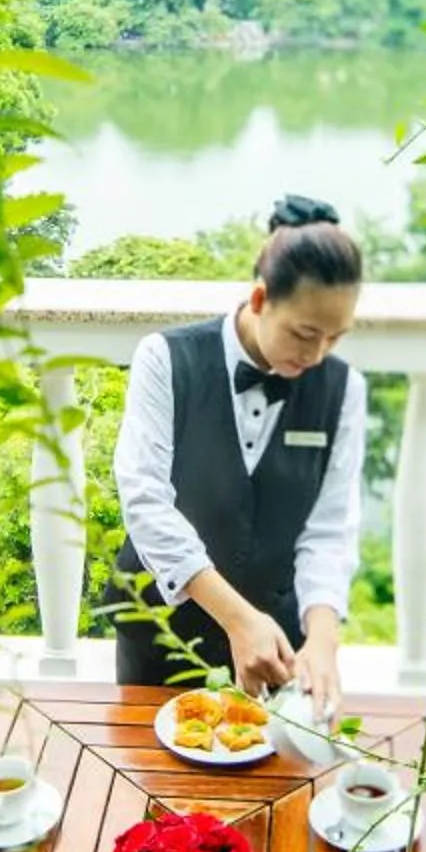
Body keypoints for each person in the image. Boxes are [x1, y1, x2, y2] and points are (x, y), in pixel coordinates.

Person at [103, 194, 367, 709]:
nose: (316, 355)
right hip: (161, 635)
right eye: (304, 333)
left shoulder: (344, 390)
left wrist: (322, 638)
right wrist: (237, 618)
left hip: (277, 650)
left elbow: (329, 529)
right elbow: (146, 502)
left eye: (334, 338)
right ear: (260, 299)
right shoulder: (165, 358)